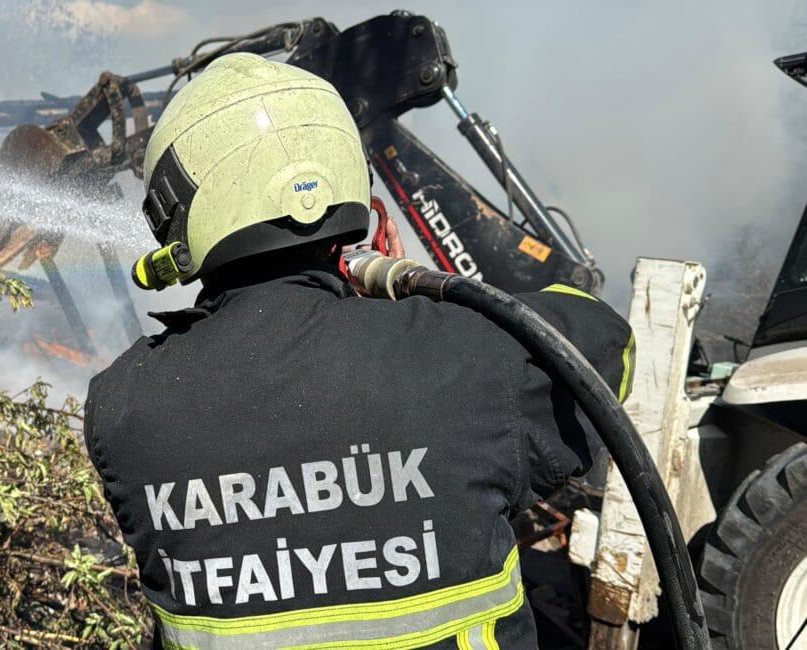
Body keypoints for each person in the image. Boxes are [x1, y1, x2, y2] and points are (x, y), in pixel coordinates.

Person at [84, 52, 634, 649]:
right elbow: (604, 343)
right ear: (351, 179)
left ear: (175, 213)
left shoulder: (124, 407)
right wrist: (412, 305)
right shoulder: (469, 359)